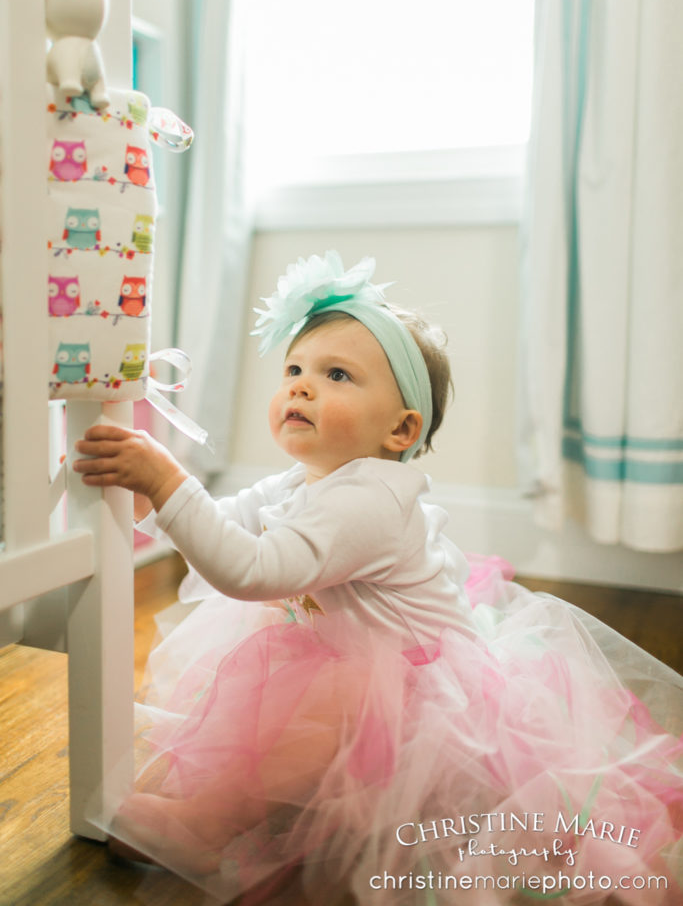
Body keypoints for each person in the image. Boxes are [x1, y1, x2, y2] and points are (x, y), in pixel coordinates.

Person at [74, 252, 683, 906]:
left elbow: (250, 571)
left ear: (400, 429)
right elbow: (221, 528)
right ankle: (255, 807)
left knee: (325, 694)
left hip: (416, 698)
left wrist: (169, 483)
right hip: (354, 664)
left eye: (336, 375)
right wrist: (159, 510)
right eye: (294, 370)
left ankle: (210, 828)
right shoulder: (302, 479)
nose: (302, 387)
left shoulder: (368, 502)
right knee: (307, 685)